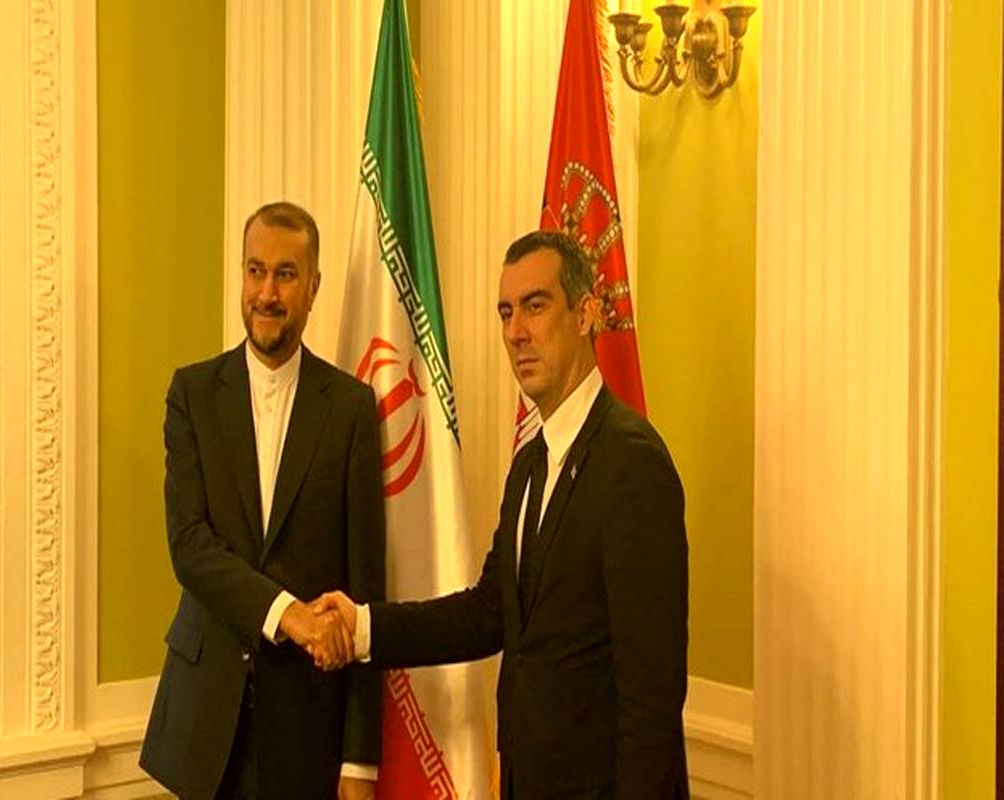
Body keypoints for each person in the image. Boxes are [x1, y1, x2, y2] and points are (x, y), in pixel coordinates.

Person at [319, 230, 689, 799]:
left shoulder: (632, 464)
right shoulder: (530, 463)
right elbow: (488, 613)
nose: (516, 332)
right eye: (505, 312)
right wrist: (363, 626)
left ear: (586, 314)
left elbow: (652, 696)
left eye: (535, 306)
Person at [139, 202, 385, 800]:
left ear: (314, 287)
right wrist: (288, 614)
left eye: (285, 275)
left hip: (306, 730)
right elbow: (190, 548)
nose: (267, 293)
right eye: (256, 271)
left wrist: (360, 759)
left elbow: (366, 587)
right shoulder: (192, 394)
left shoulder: (351, 408)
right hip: (203, 729)